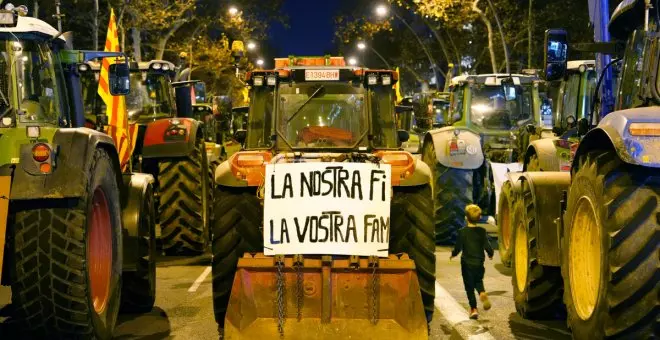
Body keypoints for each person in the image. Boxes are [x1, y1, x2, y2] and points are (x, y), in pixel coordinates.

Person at [451, 204, 494, 320]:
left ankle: (474, 309)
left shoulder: (462, 232)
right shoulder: (482, 231)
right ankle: (481, 293)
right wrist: (490, 254)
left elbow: (458, 247)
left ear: (466, 218)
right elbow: (487, 246)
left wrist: (453, 254)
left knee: (469, 286)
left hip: (467, 264)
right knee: (478, 281)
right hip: (479, 263)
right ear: (479, 218)